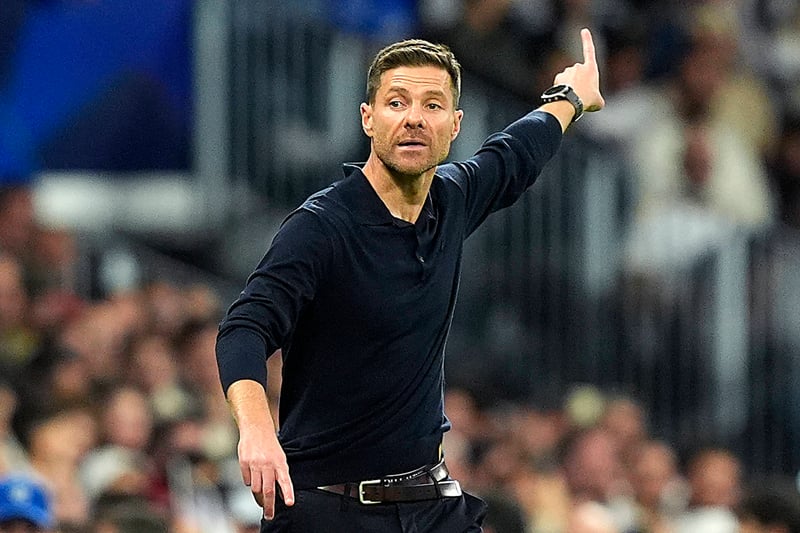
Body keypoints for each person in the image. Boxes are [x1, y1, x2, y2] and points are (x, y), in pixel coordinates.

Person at [215, 28, 604, 532]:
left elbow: (515, 154)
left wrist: (570, 97)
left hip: (430, 505)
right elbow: (245, 328)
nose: (414, 118)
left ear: (455, 125)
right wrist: (256, 430)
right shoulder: (322, 227)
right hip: (330, 510)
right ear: (368, 118)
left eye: (432, 105)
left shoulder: (452, 198)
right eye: (397, 102)